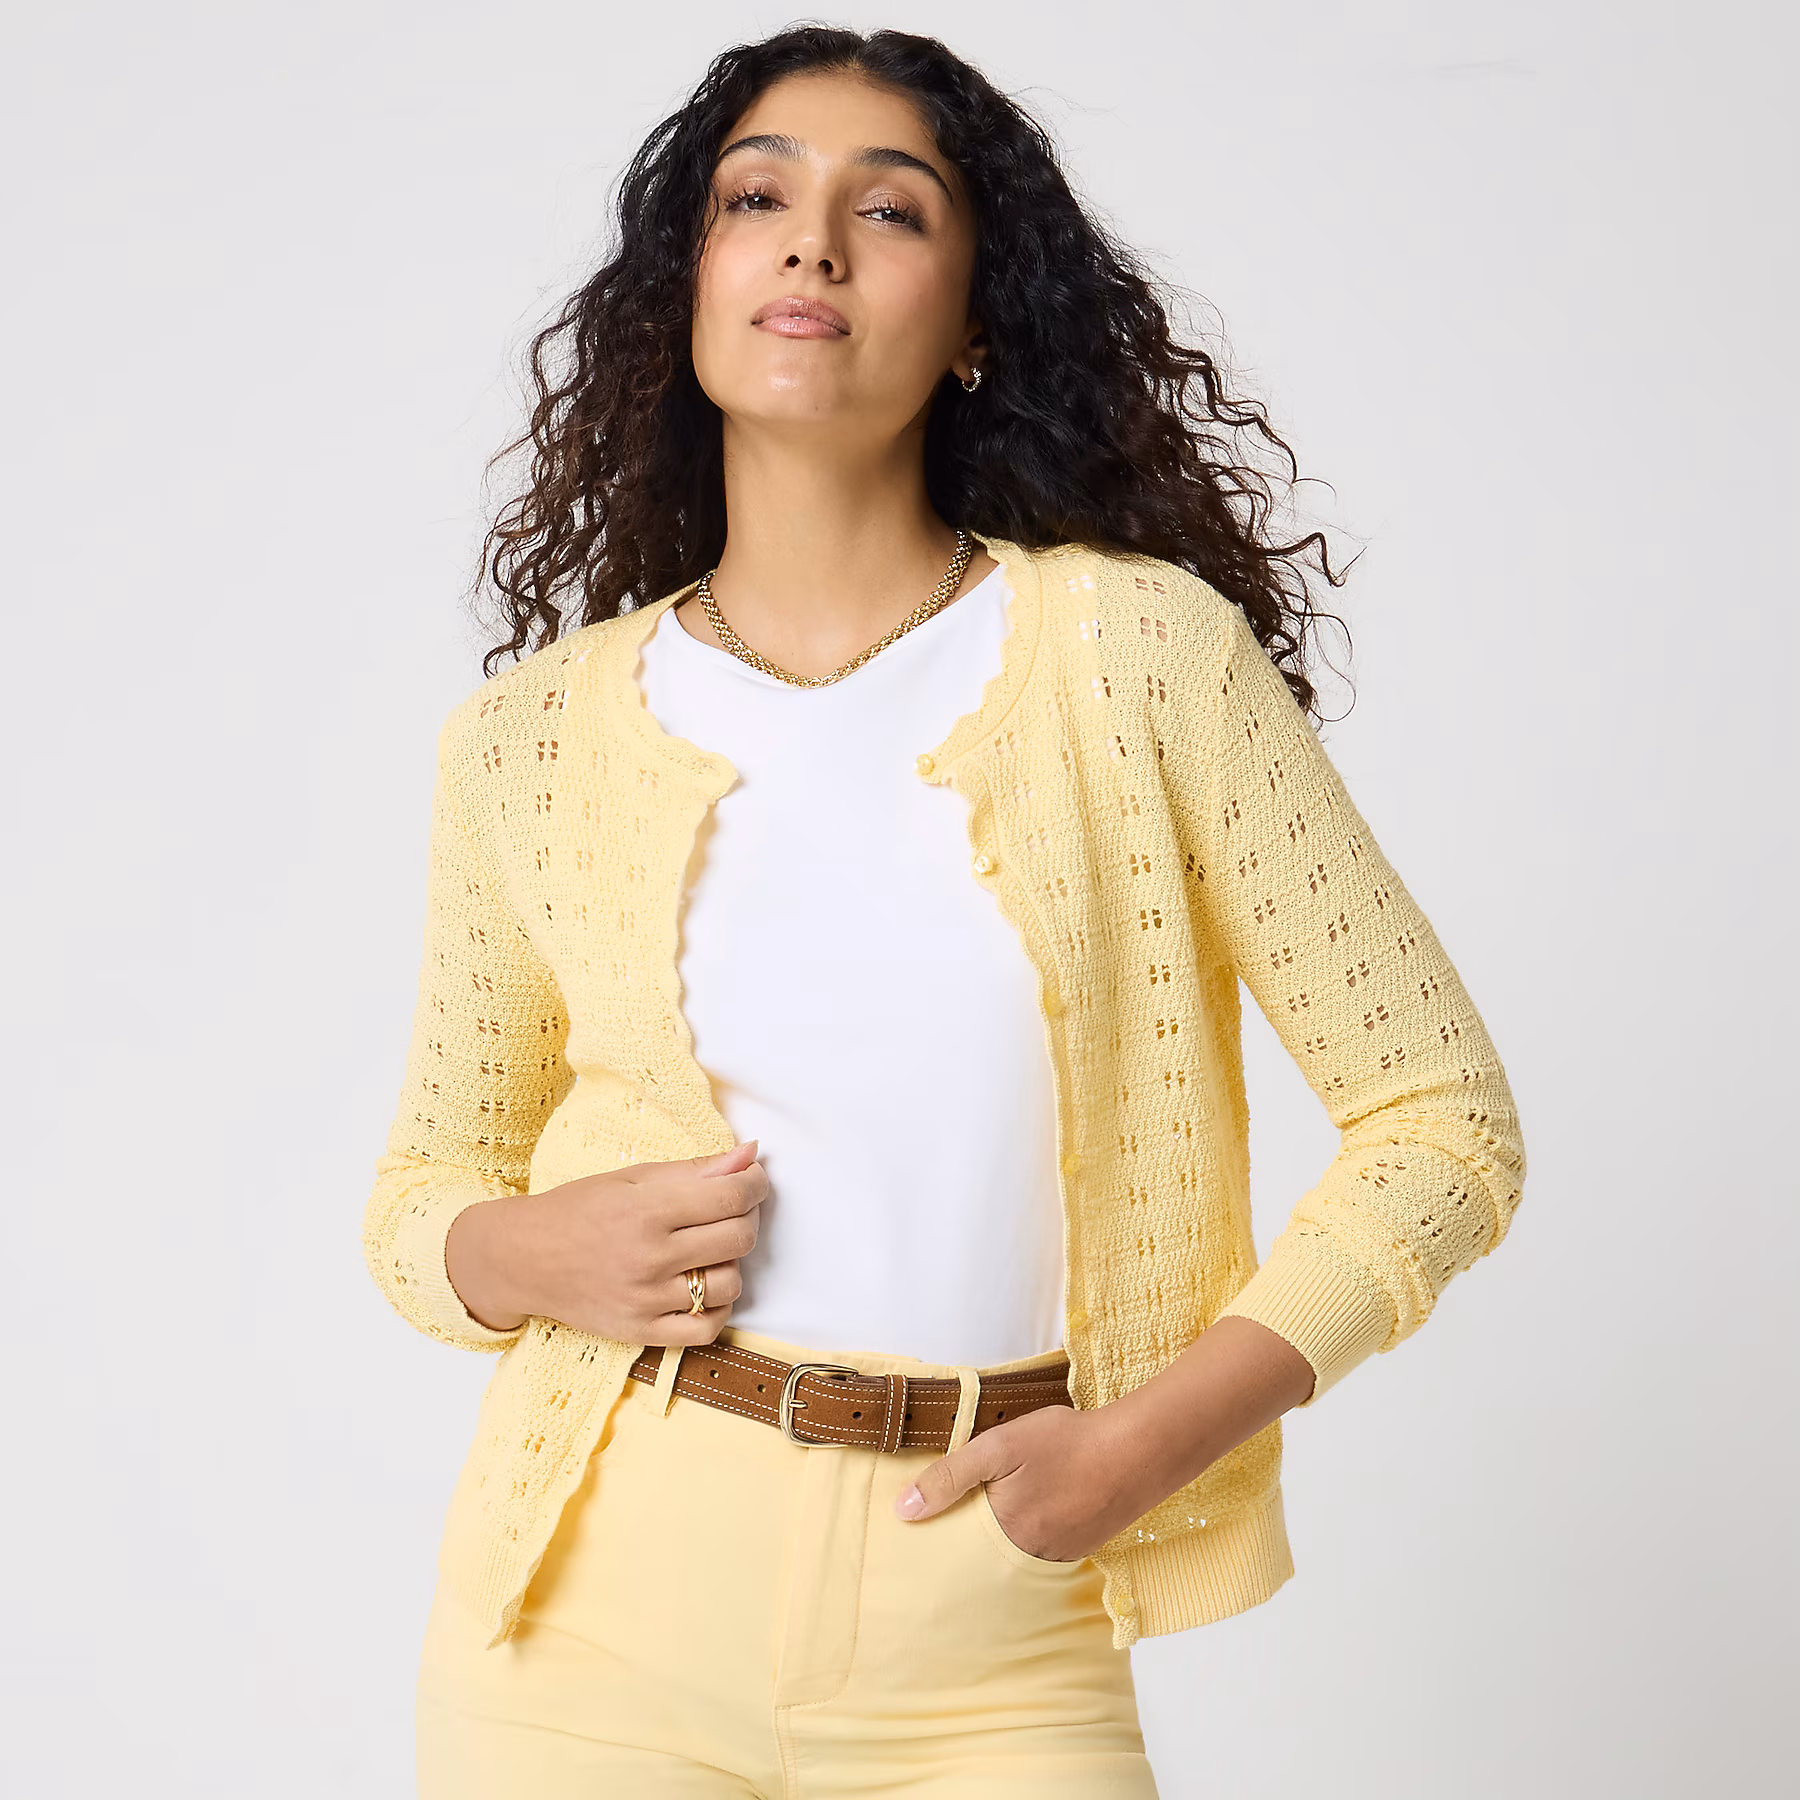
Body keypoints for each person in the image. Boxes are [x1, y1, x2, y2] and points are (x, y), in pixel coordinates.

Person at [362, 25, 1528, 1798]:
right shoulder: (532, 738)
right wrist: (516, 1253)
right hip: (590, 1612)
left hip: (993, 1621)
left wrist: (1150, 1442)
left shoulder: (1137, 659)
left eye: (889, 211)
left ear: (979, 321)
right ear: (690, 289)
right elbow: (425, 1186)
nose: (813, 244)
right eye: (756, 200)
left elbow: (1443, 1124)